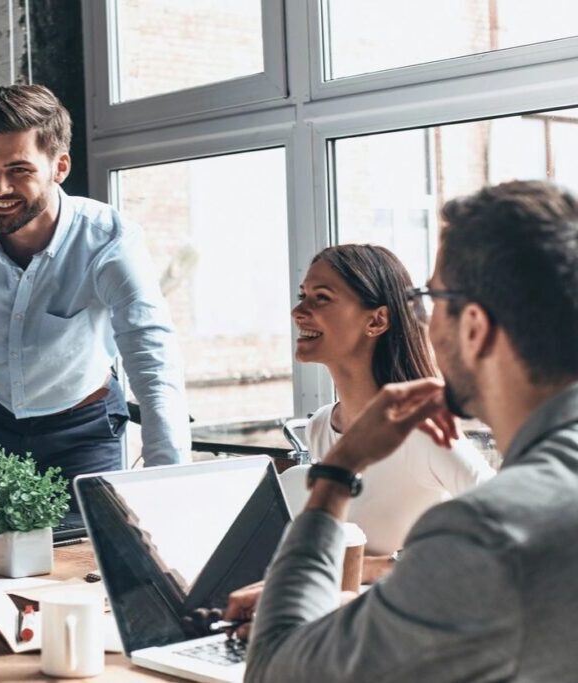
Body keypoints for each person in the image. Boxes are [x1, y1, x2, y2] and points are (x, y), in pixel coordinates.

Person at [226, 180, 578, 682]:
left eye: (430, 299)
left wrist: (336, 475)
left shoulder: (487, 531)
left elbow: (276, 671)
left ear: (474, 327)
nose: (424, 321)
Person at [0, 84, 190, 487]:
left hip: (82, 430)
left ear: (59, 167)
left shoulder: (109, 238)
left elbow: (152, 356)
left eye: (19, 170)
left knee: (88, 548)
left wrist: (168, 479)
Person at [291, 244, 494, 561]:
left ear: (376, 321)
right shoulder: (320, 426)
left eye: (322, 298)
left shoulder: (422, 432)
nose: (299, 311)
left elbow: (507, 523)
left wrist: (380, 568)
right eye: (303, 295)